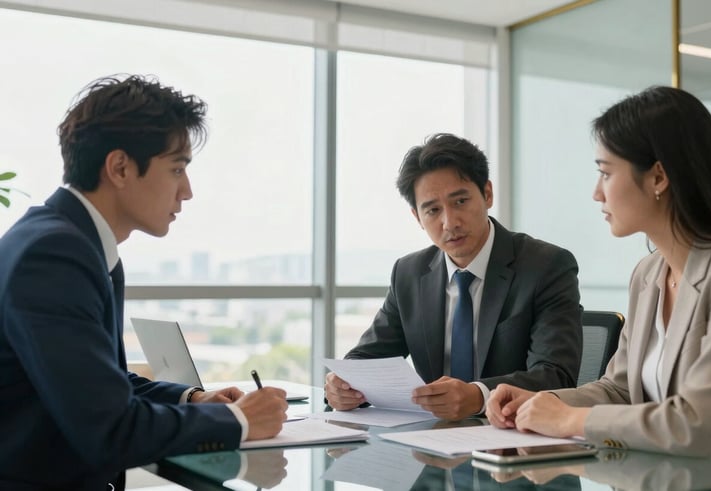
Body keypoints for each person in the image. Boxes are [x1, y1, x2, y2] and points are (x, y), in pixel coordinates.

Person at [0, 75, 288, 490]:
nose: (186, 192)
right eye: (176, 169)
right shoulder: (54, 256)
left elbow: (96, 381)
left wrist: (190, 398)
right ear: (120, 167)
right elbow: (110, 429)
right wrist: (240, 420)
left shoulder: (70, 240)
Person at [486, 86, 711, 461]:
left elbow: (696, 424)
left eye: (605, 173)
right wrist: (543, 401)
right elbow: (620, 390)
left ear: (658, 178)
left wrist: (570, 419)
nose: (596, 194)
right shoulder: (648, 273)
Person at [325, 133, 582, 421]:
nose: (450, 222)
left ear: (487, 194)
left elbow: (556, 375)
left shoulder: (546, 266)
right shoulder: (409, 274)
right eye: (433, 210)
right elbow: (366, 360)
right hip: (433, 445)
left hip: (512, 441)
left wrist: (478, 396)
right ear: (417, 217)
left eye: (460, 201)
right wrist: (342, 387)